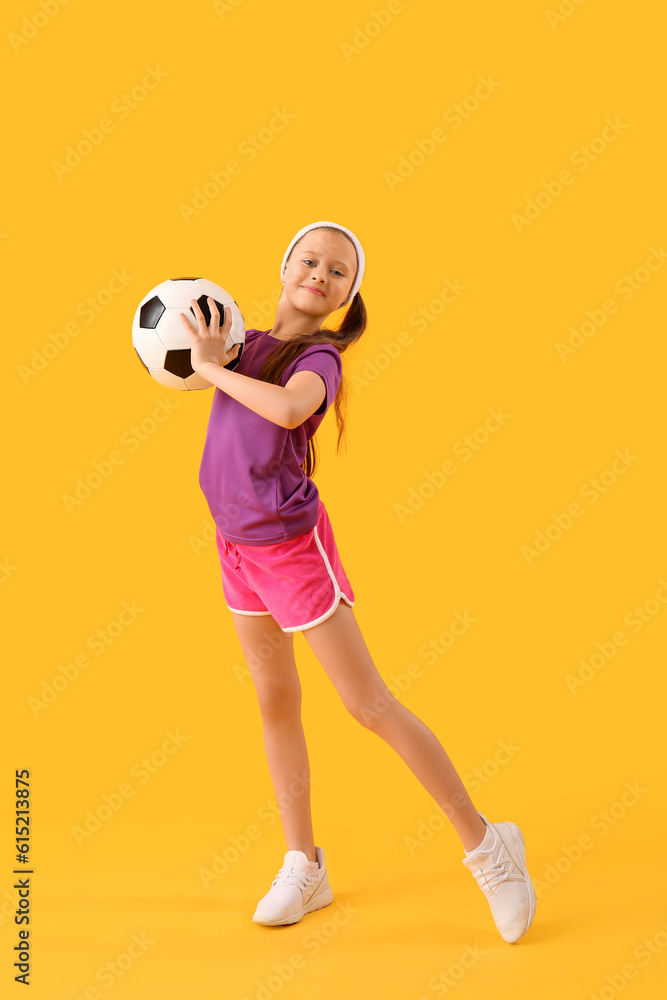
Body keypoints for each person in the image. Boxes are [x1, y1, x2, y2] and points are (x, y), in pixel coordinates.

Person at [179, 221, 536, 944]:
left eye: (337, 271)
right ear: (282, 265)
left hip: (288, 548)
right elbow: (187, 360)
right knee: (274, 701)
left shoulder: (318, 356)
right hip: (234, 548)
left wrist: (210, 367)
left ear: (346, 296)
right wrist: (204, 351)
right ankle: (304, 863)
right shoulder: (242, 342)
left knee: (367, 704)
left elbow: (286, 408)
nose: (319, 274)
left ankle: (487, 846)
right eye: (308, 260)